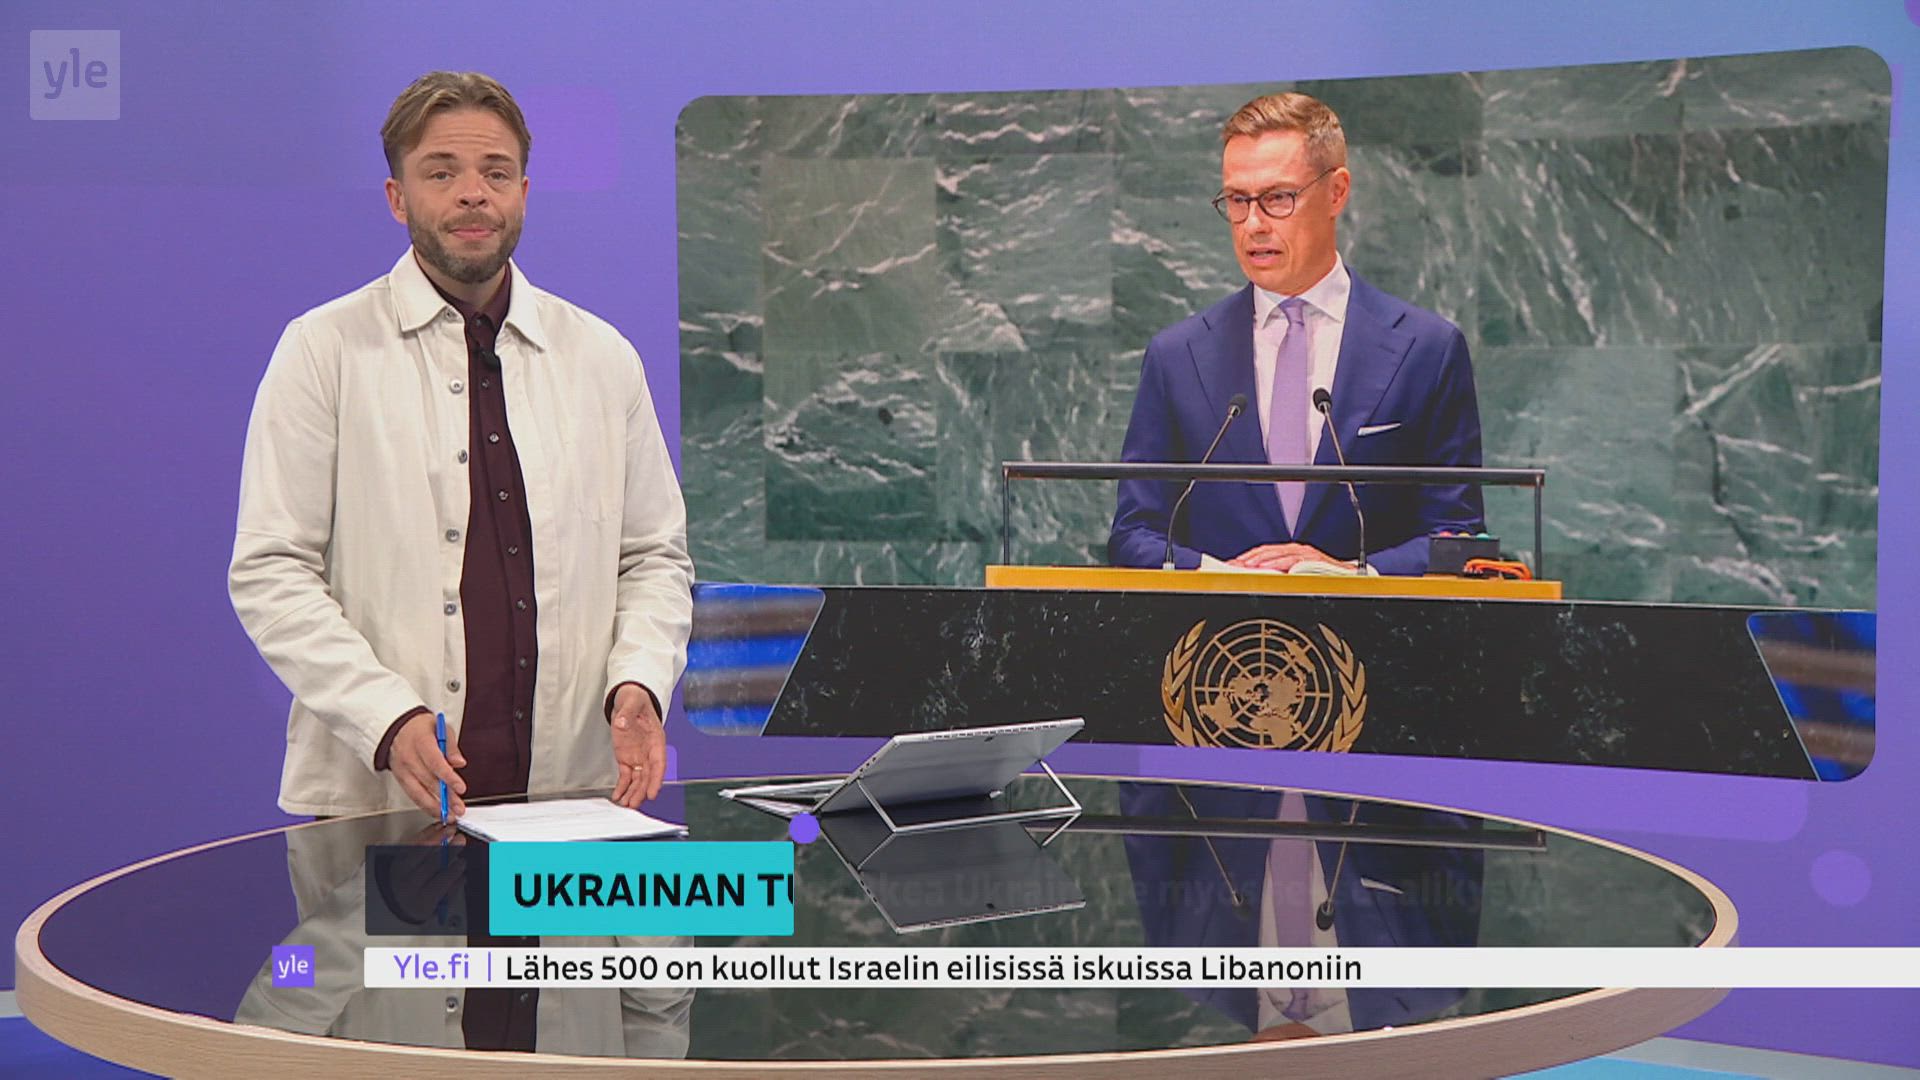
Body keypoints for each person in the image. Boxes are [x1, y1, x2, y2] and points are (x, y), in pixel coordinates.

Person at [230, 71, 693, 819]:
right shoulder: (324, 349)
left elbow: (653, 557)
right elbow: (271, 570)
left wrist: (639, 679)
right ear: (398, 197)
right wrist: (387, 719)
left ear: (524, 193)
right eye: (441, 173)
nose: (473, 194)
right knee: (393, 911)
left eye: (495, 173)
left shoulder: (602, 357)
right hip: (384, 807)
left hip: (572, 801)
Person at [1109, 92, 1484, 575]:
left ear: (1336, 192)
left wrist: (1352, 575)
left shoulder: (1426, 351)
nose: (1253, 225)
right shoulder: (1178, 358)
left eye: (1277, 198)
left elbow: (1458, 538)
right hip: (1217, 623)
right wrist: (1224, 577)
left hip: (1374, 622)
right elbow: (1134, 534)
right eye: (1238, 200)